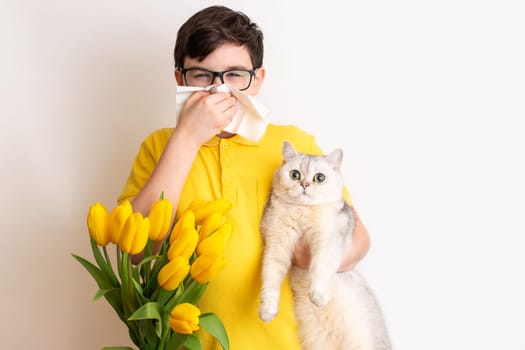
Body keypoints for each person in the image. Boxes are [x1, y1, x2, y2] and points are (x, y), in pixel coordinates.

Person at [118, 5, 370, 349]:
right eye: (203, 75)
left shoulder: (295, 148)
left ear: (258, 79)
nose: (221, 90)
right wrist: (187, 139)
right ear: (180, 79)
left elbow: (358, 241)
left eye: (236, 75)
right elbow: (138, 248)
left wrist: (312, 256)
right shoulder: (161, 146)